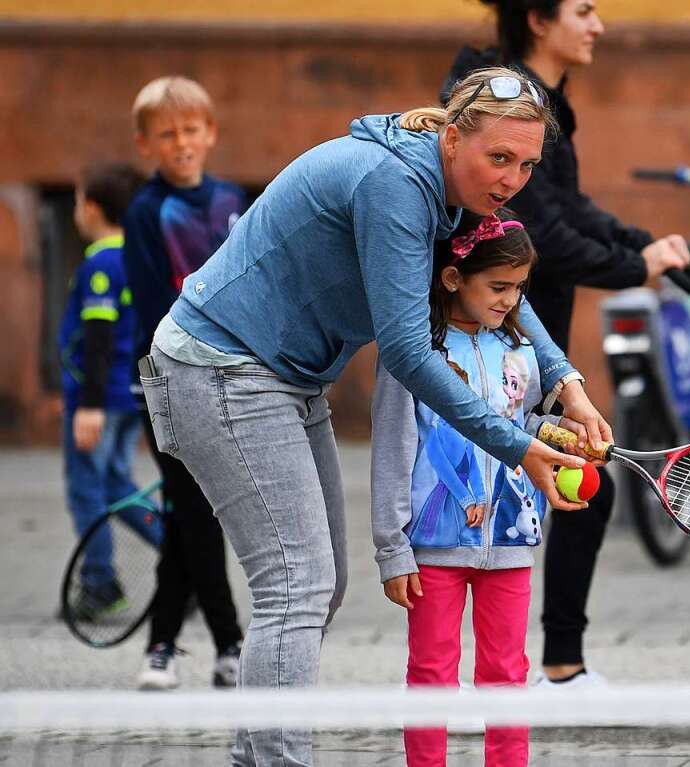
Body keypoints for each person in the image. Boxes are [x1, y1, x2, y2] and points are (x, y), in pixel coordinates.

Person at [139, 67, 608, 766]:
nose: (512, 179)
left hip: (285, 377)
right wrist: (518, 446)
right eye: (499, 158)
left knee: (314, 590)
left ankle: (255, 756)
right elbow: (410, 353)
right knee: (296, 584)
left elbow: (503, 281)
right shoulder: (397, 187)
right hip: (218, 367)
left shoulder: (453, 191)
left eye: (528, 164)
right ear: (452, 138)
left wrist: (567, 382)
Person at [441, 0, 690, 688]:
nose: (598, 25)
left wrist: (640, 244)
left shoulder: (542, 104)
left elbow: (568, 208)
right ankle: (537, 665)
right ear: (538, 19)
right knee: (498, 503)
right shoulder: (507, 111)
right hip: (486, 339)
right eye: (584, 10)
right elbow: (543, 236)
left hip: (526, 334)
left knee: (578, 489)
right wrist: (633, 267)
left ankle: (548, 663)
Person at [372, 209, 586, 767]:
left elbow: (521, 427)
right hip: (433, 547)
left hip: (513, 541)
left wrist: (558, 435)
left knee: (507, 673)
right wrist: (392, 549)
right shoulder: (411, 357)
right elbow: (394, 451)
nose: (510, 302)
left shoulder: (518, 353)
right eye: (497, 287)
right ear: (452, 279)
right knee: (431, 674)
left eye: (518, 289)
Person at [122, 76, 245, 691]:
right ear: (146, 144)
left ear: (210, 133)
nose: (181, 143)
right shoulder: (146, 212)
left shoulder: (228, 200)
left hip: (232, 376)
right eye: (167, 134)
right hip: (165, 381)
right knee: (195, 508)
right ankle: (226, 643)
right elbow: (150, 308)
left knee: (193, 513)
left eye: (191, 130)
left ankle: (166, 646)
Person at [59, 162, 159, 620]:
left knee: (88, 491)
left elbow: (98, 339)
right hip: (130, 393)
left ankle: (99, 582)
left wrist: (89, 405)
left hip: (97, 399)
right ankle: (184, 556)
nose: (77, 210)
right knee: (118, 485)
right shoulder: (139, 255)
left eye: (78, 201)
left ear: (94, 208)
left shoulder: (101, 262)